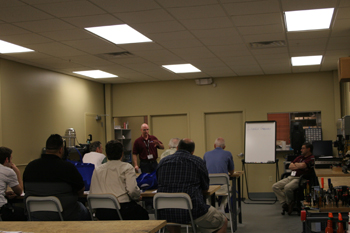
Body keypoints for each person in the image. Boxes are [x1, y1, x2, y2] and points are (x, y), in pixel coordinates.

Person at [157, 138, 228, 233]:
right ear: (193, 151)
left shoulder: (162, 162)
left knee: (172, 218)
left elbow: (159, 182)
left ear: (177, 148)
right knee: (223, 221)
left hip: (165, 211)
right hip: (192, 211)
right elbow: (205, 187)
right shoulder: (197, 161)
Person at [23, 134, 90, 221]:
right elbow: (81, 190)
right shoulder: (67, 167)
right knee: (85, 211)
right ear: (61, 150)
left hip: (35, 216)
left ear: (46, 149)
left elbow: (25, 190)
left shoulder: (30, 167)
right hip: (64, 215)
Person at [89, 140, 149, 220]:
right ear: (122, 154)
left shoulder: (97, 170)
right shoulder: (127, 167)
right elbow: (132, 190)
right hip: (122, 209)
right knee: (143, 214)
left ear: (106, 154)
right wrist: (136, 196)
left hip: (102, 211)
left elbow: (92, 192)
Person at [272, 143, 315, 215]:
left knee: (287, 188)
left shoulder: (311, 158)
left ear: (308, 149)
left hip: (300, 178)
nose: (301, 150)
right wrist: (299, 165)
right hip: (291, 176)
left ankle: (289, 204)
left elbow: (303, 165)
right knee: (275, 186)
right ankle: (286, 203)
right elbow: (290, 166)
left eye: (303, 148)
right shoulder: (300, 157)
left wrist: (297, 165)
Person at [203, 137, 234, 213]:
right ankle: (222, 206)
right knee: (231, 190)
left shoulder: (206, 154)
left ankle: (210, 207)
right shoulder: (228, 154)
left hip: (209, 188)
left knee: (209, 195)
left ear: (214, 145)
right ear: (224, 147)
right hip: (223, 188)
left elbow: (203, 171)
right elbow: (232, 172)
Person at [0, 147, 27, 221]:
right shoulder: (7, 171)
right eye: (11, 159)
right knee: (23, 213)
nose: (12, 162)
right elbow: (20, 191)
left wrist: (4, 193)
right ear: (6, 159)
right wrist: (17, 172)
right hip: (1, 209)